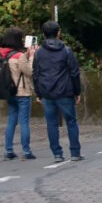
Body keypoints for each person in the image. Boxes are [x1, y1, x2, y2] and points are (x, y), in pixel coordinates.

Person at [33, 21, 83, 163]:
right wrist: (77, 92)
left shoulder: (39, 53)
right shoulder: (66, 51)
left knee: (52, 124)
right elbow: (74, 73)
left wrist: (38, 93)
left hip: (47, 93)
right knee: (71, 122)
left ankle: (57, 154)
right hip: (65, 91)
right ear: (58, 33)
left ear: (43, 34)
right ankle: (75, 152)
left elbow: (36, 74)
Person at [0, 28, 37, 160]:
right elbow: (30, 72)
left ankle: (8, 150)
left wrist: (26, 56)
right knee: (24, 123)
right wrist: (31, 57)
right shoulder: (18, 56)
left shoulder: (4, 55)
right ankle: (26, 151)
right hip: (22, 92)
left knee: (11, 122)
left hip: (10, 92)